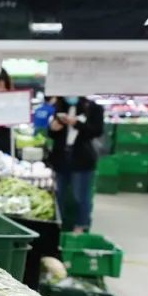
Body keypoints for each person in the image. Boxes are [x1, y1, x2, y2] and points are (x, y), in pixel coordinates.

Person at [47, 96, 103, 233]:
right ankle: (56, 226)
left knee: (81, 196)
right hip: (60, 157)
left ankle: (80, 226)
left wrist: (76, 123)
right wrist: (53, 129)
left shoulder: (93, 108)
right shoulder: (58, 107)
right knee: (57, 195)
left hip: (82, 158)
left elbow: (97, 131)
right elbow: (53, 135)